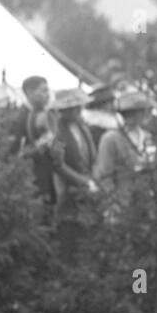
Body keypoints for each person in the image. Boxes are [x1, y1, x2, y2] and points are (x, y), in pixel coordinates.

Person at [51, 87, 100, 258]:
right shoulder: (57, 133)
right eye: (72, 108)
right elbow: (58, 165)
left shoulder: (83, 128)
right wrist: (83, 181)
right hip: (68, 190)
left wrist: (93, 178)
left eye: (79, 107)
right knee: (70, 234)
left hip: (88, 186)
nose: (77, 111)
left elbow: (92, 156)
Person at [95, 90, 155, 207]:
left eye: (141, 112)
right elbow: (105, 175)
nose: (138, 116)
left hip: (146, 199)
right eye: (130, 113)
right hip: (121, 199)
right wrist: (113, 202)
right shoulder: (111, 138)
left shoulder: (147, 136)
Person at [11, 75, 58, 210]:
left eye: (48, 91)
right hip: (28, 181)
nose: (47, 95)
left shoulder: (48, 114)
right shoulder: (18, 116)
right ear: (29, 92)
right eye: (43, 91)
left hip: (48, 178)